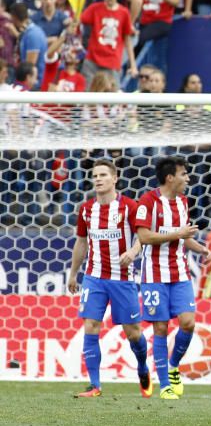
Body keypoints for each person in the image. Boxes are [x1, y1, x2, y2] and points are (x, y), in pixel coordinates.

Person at [67, 159, 150, 399]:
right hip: (94, 278)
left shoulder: (129, 207)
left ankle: (143, 368)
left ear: (115, 178)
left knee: (133, 333)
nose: (98, 179)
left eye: (103, 175)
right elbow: (81, 242)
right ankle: (95, 386)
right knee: (90, 325)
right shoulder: (86, 209)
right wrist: (74, 273)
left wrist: (133, 252)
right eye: (95, 175)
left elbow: (142, 236)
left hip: (122, 279)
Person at [135, 157, 211, 400]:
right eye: (184, 174)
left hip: (179, 272)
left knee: (188, 322)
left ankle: (173, 365)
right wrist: (179, 233)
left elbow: (182, 237)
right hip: (154, 274)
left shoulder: (183, 202)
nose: (188, 178)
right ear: (170, 177)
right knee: (160, 327)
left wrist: (200, 248)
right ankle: (165, 385)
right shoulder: (148, 201)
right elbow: (145, 236)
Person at [79, 0, 137, 86]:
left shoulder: (124, 13)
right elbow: (79, 20)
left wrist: (132, 65)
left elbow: (127, 40)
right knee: (87, 97)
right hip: (92, 60)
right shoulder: (95, 8)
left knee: (112, 98)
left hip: (112, 62)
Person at [10, 3, 45, 88]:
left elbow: (30, 66)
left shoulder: (33, 34)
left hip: (34, 84)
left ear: (14, 17)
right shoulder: (27, 33)